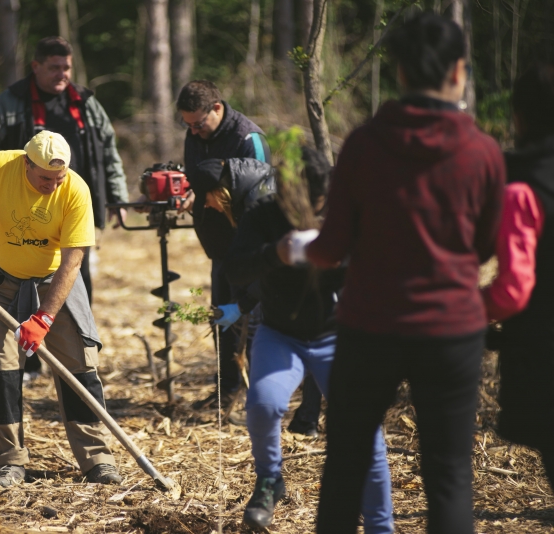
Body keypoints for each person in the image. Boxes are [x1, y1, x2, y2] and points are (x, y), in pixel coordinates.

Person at [290, 13, 505, 533]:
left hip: (370, 327)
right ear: (459, 72)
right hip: (452, 331)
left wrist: (300, 247)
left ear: (401, 74)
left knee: (344, 466)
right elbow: (484, 247)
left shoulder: (364, 145)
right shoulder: (482, 152)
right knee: (450, 477)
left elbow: (332, 248)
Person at [225, 146, 393, 532]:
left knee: (366, 434)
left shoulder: (347, 212)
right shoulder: (263, 214)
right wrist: (274, 253)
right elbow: (235, 267)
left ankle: (382, 526)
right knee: (264, 404)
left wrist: (339, 257)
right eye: (293, 204)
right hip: (281, 334)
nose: (304, 213)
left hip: (341, 336)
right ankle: (270, 479)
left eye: (314, 205)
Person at [0, 131, 122, 487]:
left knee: (80, 367)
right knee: (4, 370)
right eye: (45, 179)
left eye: (59, 178)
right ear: (26, 163)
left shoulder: (75, 190)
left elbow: (73, 263)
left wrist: (45, 317)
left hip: (56, 282)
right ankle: (11, 462)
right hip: (4, 284)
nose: (53, 186)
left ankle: (98, 461)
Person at [0, 36, 128, 378]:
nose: (62, 74)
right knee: (21, 284)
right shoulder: (11, 102)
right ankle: (26, 363)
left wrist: (116, 195)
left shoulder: (85, 102)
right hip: (23, 212)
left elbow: (108, 149)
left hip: (76, 208)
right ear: (36, 67)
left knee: (75, 280)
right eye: (54, 67)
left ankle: (71, 357)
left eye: (67, 67)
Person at [176, 80, 321, 424]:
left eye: (199, 123)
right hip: (220, 246)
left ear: (217, 107)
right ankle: (226, 390)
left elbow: (259, 191)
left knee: (254, 321)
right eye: (187, 125)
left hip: (253, 248)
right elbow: (201, 181)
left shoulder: (248, 139)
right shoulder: (195, 134)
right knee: (223, 319)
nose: (194, 131)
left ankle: (261, 395)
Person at [483, 63, 554, 492]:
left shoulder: (520, 186)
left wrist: (467, 311)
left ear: (520, 116)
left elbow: (512, 289)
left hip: (540, 346)